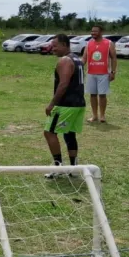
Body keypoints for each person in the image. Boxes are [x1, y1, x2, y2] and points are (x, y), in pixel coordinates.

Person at [44, 34, 86, 179]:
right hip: (79, 104)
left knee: (49, 132)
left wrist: (51, 104)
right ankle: (73, 167)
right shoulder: (77, 59)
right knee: (69, 133)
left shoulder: (65, 60)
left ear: (64, 44)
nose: (52, 48)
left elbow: (63, 84)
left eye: (55, 45)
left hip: (66, 105)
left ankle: (58, 167)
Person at [82, 24, 116, 123]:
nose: (93, 33)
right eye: (92, 31)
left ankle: (102, 115)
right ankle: (94, 115)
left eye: (95, 31)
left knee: (102, 95)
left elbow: (114, 58)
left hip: (104, 73)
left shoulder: (109, 43)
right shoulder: (88, 44)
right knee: (92, 95)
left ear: (101, 32)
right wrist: (78, 66)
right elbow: (84, 58)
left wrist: (113, 72)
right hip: (91, 73)